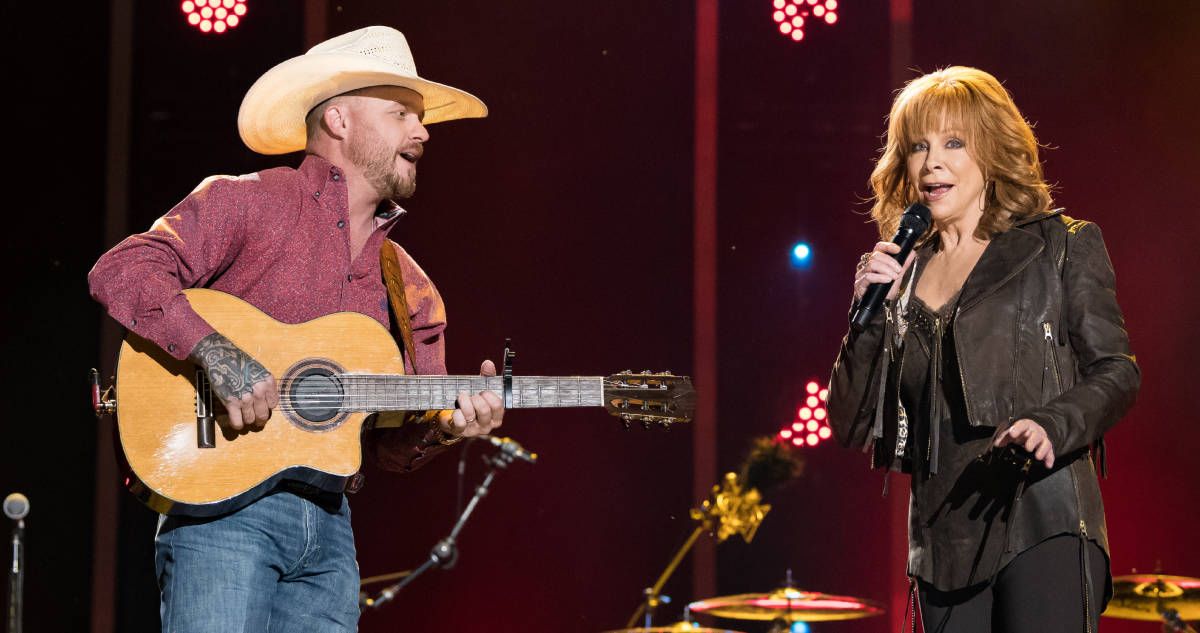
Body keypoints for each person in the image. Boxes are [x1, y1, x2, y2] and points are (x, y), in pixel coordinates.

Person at [89, 26, 504, 632]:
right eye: (401, 114)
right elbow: (122, 268)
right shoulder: (249, 202)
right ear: (338, 119)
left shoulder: (411, 287)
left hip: (331, 532)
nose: (423, 132)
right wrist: (216, 353)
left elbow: (390, 446)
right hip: (219, 515)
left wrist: (449, 428)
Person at [827, 66, 1139, 632]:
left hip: (1043, 517)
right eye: (918, 146)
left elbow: (1116, 372)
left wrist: (1052, 423)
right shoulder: (899, 272)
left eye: (953, 143)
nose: (931, 163)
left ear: (991, 153)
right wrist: (867, 319)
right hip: (944, 541)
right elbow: (849, 424)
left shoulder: (1059, 247)